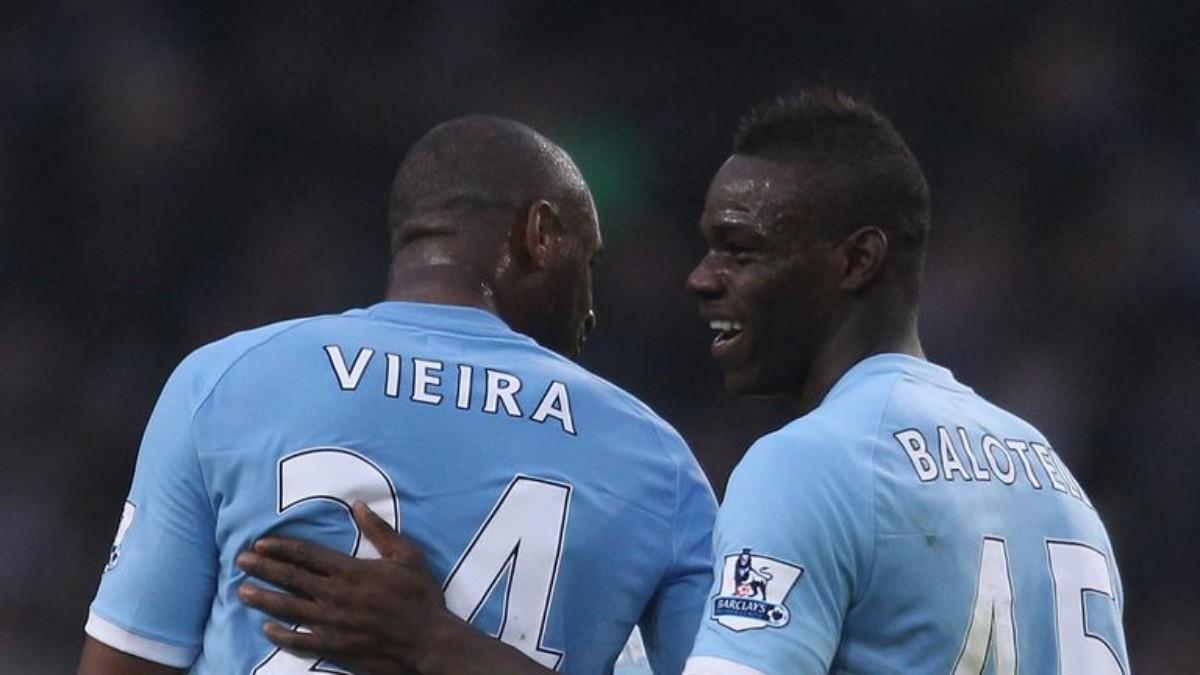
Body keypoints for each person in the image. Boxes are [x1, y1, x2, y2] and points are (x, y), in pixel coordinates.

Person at [236, 91, 1131, 675]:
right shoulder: (1052, 480)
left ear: (856, 261)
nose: (702, 278)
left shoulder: (815, 466)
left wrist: (433, 642)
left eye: (741, 248)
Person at [78, 116, 717, 675]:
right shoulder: (656, 461)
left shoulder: (225, 380)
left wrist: (432, 642)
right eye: (590, 262)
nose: (592, 308)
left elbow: (125, 660)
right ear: (540, 233)